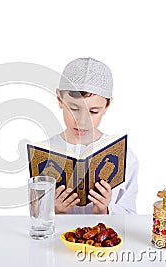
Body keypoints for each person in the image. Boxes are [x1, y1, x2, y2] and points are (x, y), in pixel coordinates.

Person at [46, 57, 138, 215]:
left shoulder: (124, 157)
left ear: (107, 105)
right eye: (74, 109)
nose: (82, 121)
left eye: (93, 111)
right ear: (60, 99)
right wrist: (54, 211)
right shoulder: (43, 152)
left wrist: (105, 210)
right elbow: (34, 217)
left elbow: (130, 214)